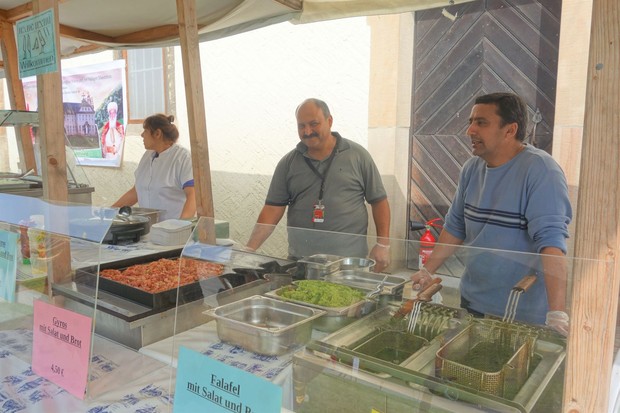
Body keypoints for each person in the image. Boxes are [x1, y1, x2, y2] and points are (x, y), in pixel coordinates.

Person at [411, 92, 572, 334]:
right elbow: (455, 227)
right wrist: (427, 271)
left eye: (481, 123)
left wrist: (557, 314)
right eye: (471, 122)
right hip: (473, 301)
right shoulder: (471, 169)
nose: (470, 131)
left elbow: (551, 244)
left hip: (521, 314)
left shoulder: (541, 171)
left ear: (510, 130)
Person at [246, 98, 391, 272]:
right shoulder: (288, 163)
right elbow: (272, 209)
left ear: (329, 121)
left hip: (349, 264)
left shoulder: (358, 156)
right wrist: (249, 250)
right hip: (301, 263)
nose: (307, 131)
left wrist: (383, 245)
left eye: (314, 124)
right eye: (301, 126)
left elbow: (379, 201)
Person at [112, 114, 196, 221]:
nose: (142, 135)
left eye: (145, 131)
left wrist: (181, 225)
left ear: (157, 133)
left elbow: (193, 195)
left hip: (172, 229)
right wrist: (110, 211)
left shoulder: (182, 158)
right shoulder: (147, 156)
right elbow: (136, 191)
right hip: (147, 227)